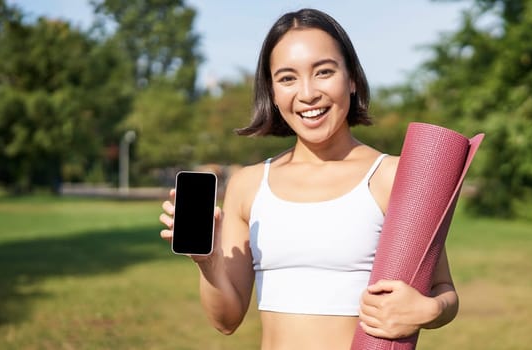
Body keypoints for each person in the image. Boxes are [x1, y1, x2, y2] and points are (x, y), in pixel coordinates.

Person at [159, 8, 458, 349]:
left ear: (352, 79)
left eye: (324, 72)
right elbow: (225, 321)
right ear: (271, 92)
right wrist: (209, 262)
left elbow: (444, 292)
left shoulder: (394, 176)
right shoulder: (248, 184)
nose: (307, 93)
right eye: (287, 78)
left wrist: (428, 309)